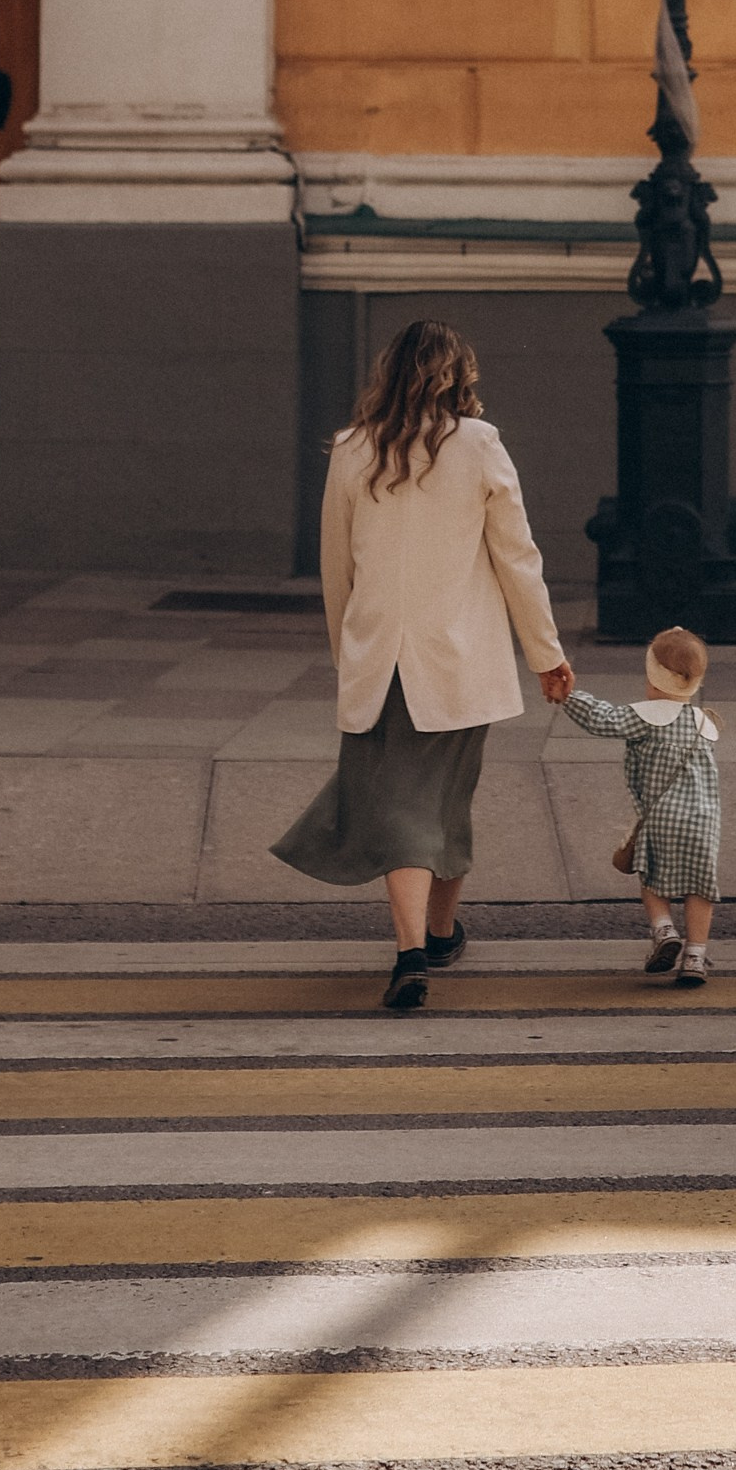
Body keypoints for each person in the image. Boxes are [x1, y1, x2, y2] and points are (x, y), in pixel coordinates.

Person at [273, 319, 573, 1011]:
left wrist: (348, 655)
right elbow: (516, 559)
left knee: (404, 804)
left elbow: (335, 569)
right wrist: (546, 655)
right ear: (457, 374)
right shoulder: (479, 446)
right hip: (462, 661)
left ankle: (427, 943)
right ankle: (426, 941)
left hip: (380, 659)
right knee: (440, 802)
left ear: (389, 372)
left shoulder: (351, 449)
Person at [562, 626, 722, 987]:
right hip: (705, 821)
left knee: (651, 877)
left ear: (653, 678)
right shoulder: (703, 723)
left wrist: (569, 696)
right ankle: (695, 956)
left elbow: (602, 718)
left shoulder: (646, 717)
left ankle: (664, 931)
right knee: (700, 888)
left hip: (662, 819)